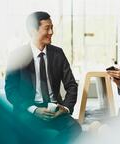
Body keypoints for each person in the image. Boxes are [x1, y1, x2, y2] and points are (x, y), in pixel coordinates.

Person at [5, 11, 81, 143]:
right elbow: (11, 91)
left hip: (55, 110)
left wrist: (65, 108)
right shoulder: (17, 56)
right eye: (47, 28)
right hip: (28, 110)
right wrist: (34, 109)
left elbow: (71, 85)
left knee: (75, 129)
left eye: (52, 27)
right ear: (33, 30)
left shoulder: (58, 53)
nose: (51, 32)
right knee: (21, 131)